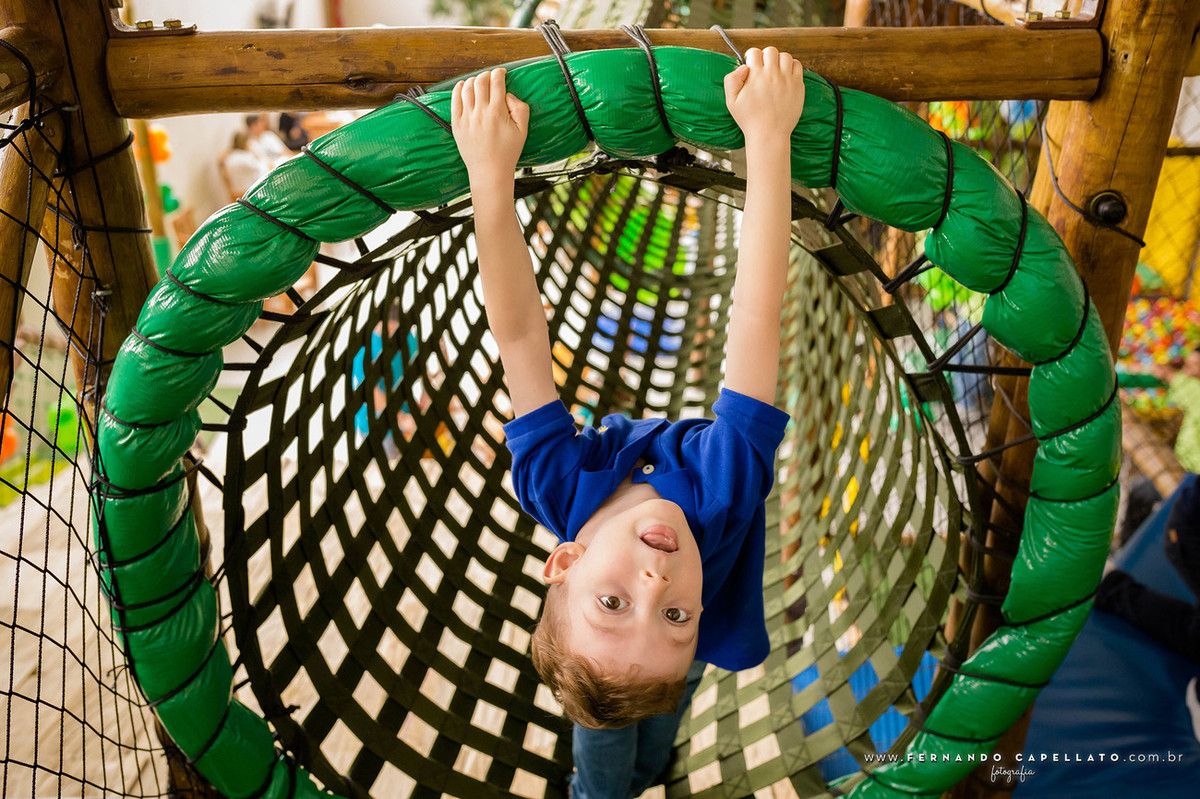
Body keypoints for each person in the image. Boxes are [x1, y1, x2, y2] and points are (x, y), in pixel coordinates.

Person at [450, 48, 804, 797]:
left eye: (613, 602)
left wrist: (491, 178)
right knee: (632, 719)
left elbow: (517, 336)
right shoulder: (726, 484)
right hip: (673, 660)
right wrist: (768, 143)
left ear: (565, 560)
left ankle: (624, 778)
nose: (654, 582)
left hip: (638, 673)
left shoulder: (555, 482)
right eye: (674, 610)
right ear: (698, 608)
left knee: (622, 736)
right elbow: (758, 318)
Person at [1095, 349, 1200, 741]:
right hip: (1187, 525)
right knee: (1141, 496)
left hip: (1185, 497)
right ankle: (1112, 582)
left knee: (1193, 632)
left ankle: (1111, 585)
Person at [219, 131, 269, 201]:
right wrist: (255, 152)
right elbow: (261, 167)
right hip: (248, 192)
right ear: (245, 142)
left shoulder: (229, 158)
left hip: (236, 192)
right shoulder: (246, 158)